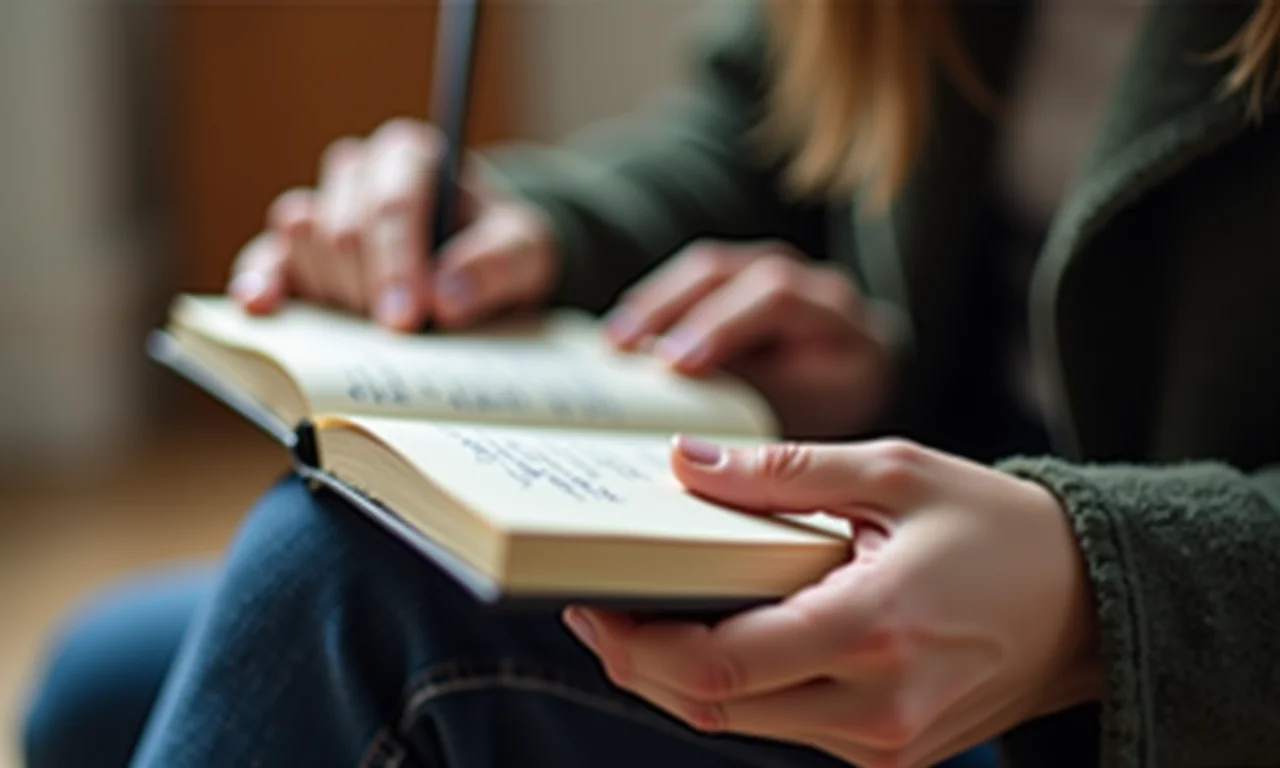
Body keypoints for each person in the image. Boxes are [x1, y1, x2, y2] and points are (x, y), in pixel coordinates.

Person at [20, 0, 1280, 765]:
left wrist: (1101, 596)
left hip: (1176, 695)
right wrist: (530, 230)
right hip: (925, 526)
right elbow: (768, 123)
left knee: (345, 600)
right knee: (99, 688)